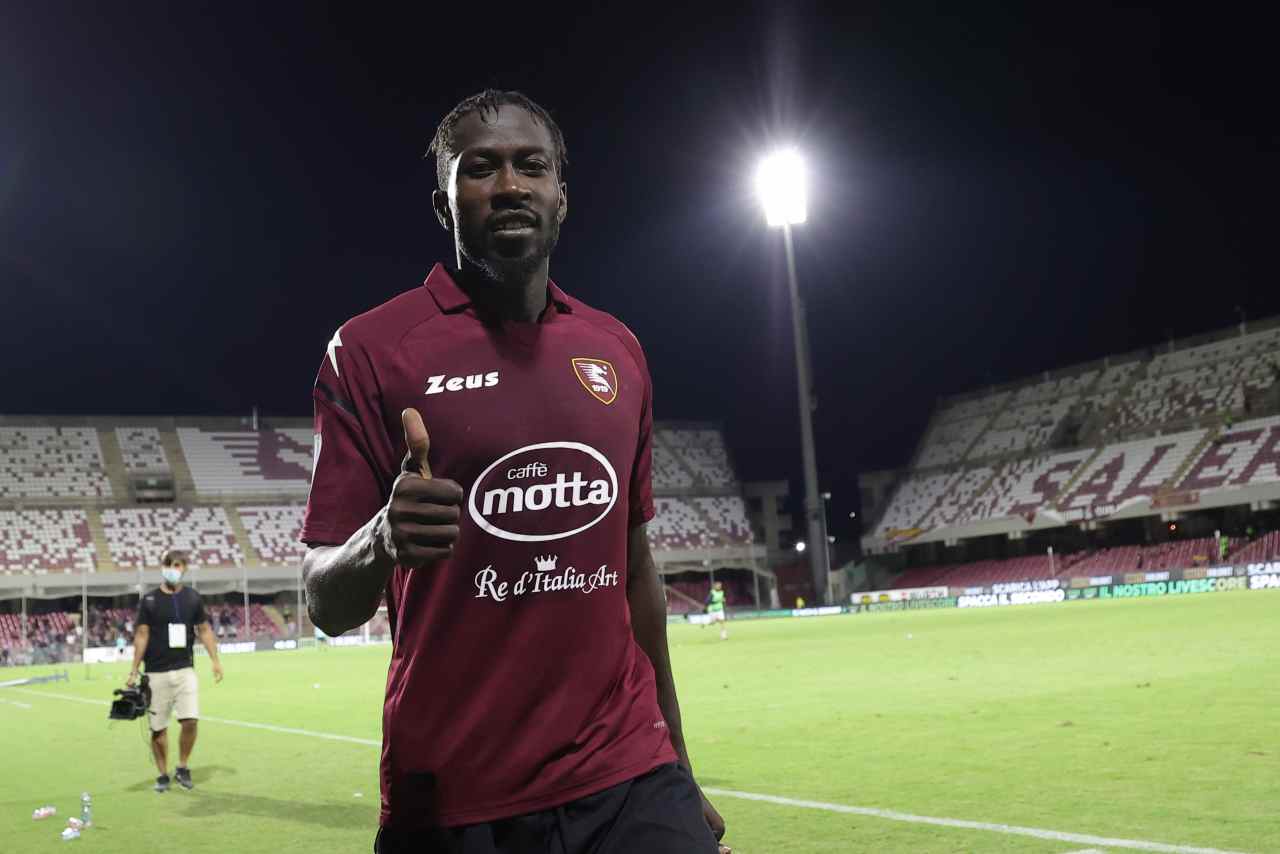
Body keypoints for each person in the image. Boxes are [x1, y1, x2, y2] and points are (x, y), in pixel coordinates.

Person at [302, 89, 727, 854]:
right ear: (444, 203)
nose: (509, 185)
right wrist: (381, 539)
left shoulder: (616, 350)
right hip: (457, 796)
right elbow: (324, 603)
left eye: (531, 166)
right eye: (480, 169)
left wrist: (680, 767)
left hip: (629, 772)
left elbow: (635, 570)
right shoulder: (370, 351)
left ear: (561, 194)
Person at [127, 550, 224, 793]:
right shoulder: (149, 600)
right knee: (158, 728)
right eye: (169, 565)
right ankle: (162, 774)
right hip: (155, 672)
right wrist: (134, 669)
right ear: (162, 567)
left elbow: (204, 629)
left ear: (184, 568)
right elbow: (142, 634)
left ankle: (182, 766)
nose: (173, 569)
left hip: (185, 670)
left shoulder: (192, 598)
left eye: (177, 565)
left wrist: (215, 660)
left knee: (190, 720)